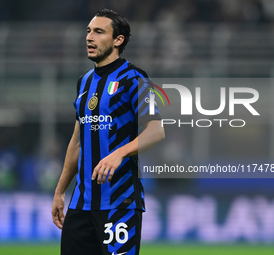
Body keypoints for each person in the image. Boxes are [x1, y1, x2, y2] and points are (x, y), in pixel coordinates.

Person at [51, 9, 165, 255]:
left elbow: (156, 131)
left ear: (118, 40)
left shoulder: (135, 79)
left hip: (120, 202)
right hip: (81, 204)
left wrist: (119, 153)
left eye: (99, 32)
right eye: (89, 31)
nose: (89, 37)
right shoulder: (84, 82)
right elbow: (77, 142)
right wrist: (60, 192)